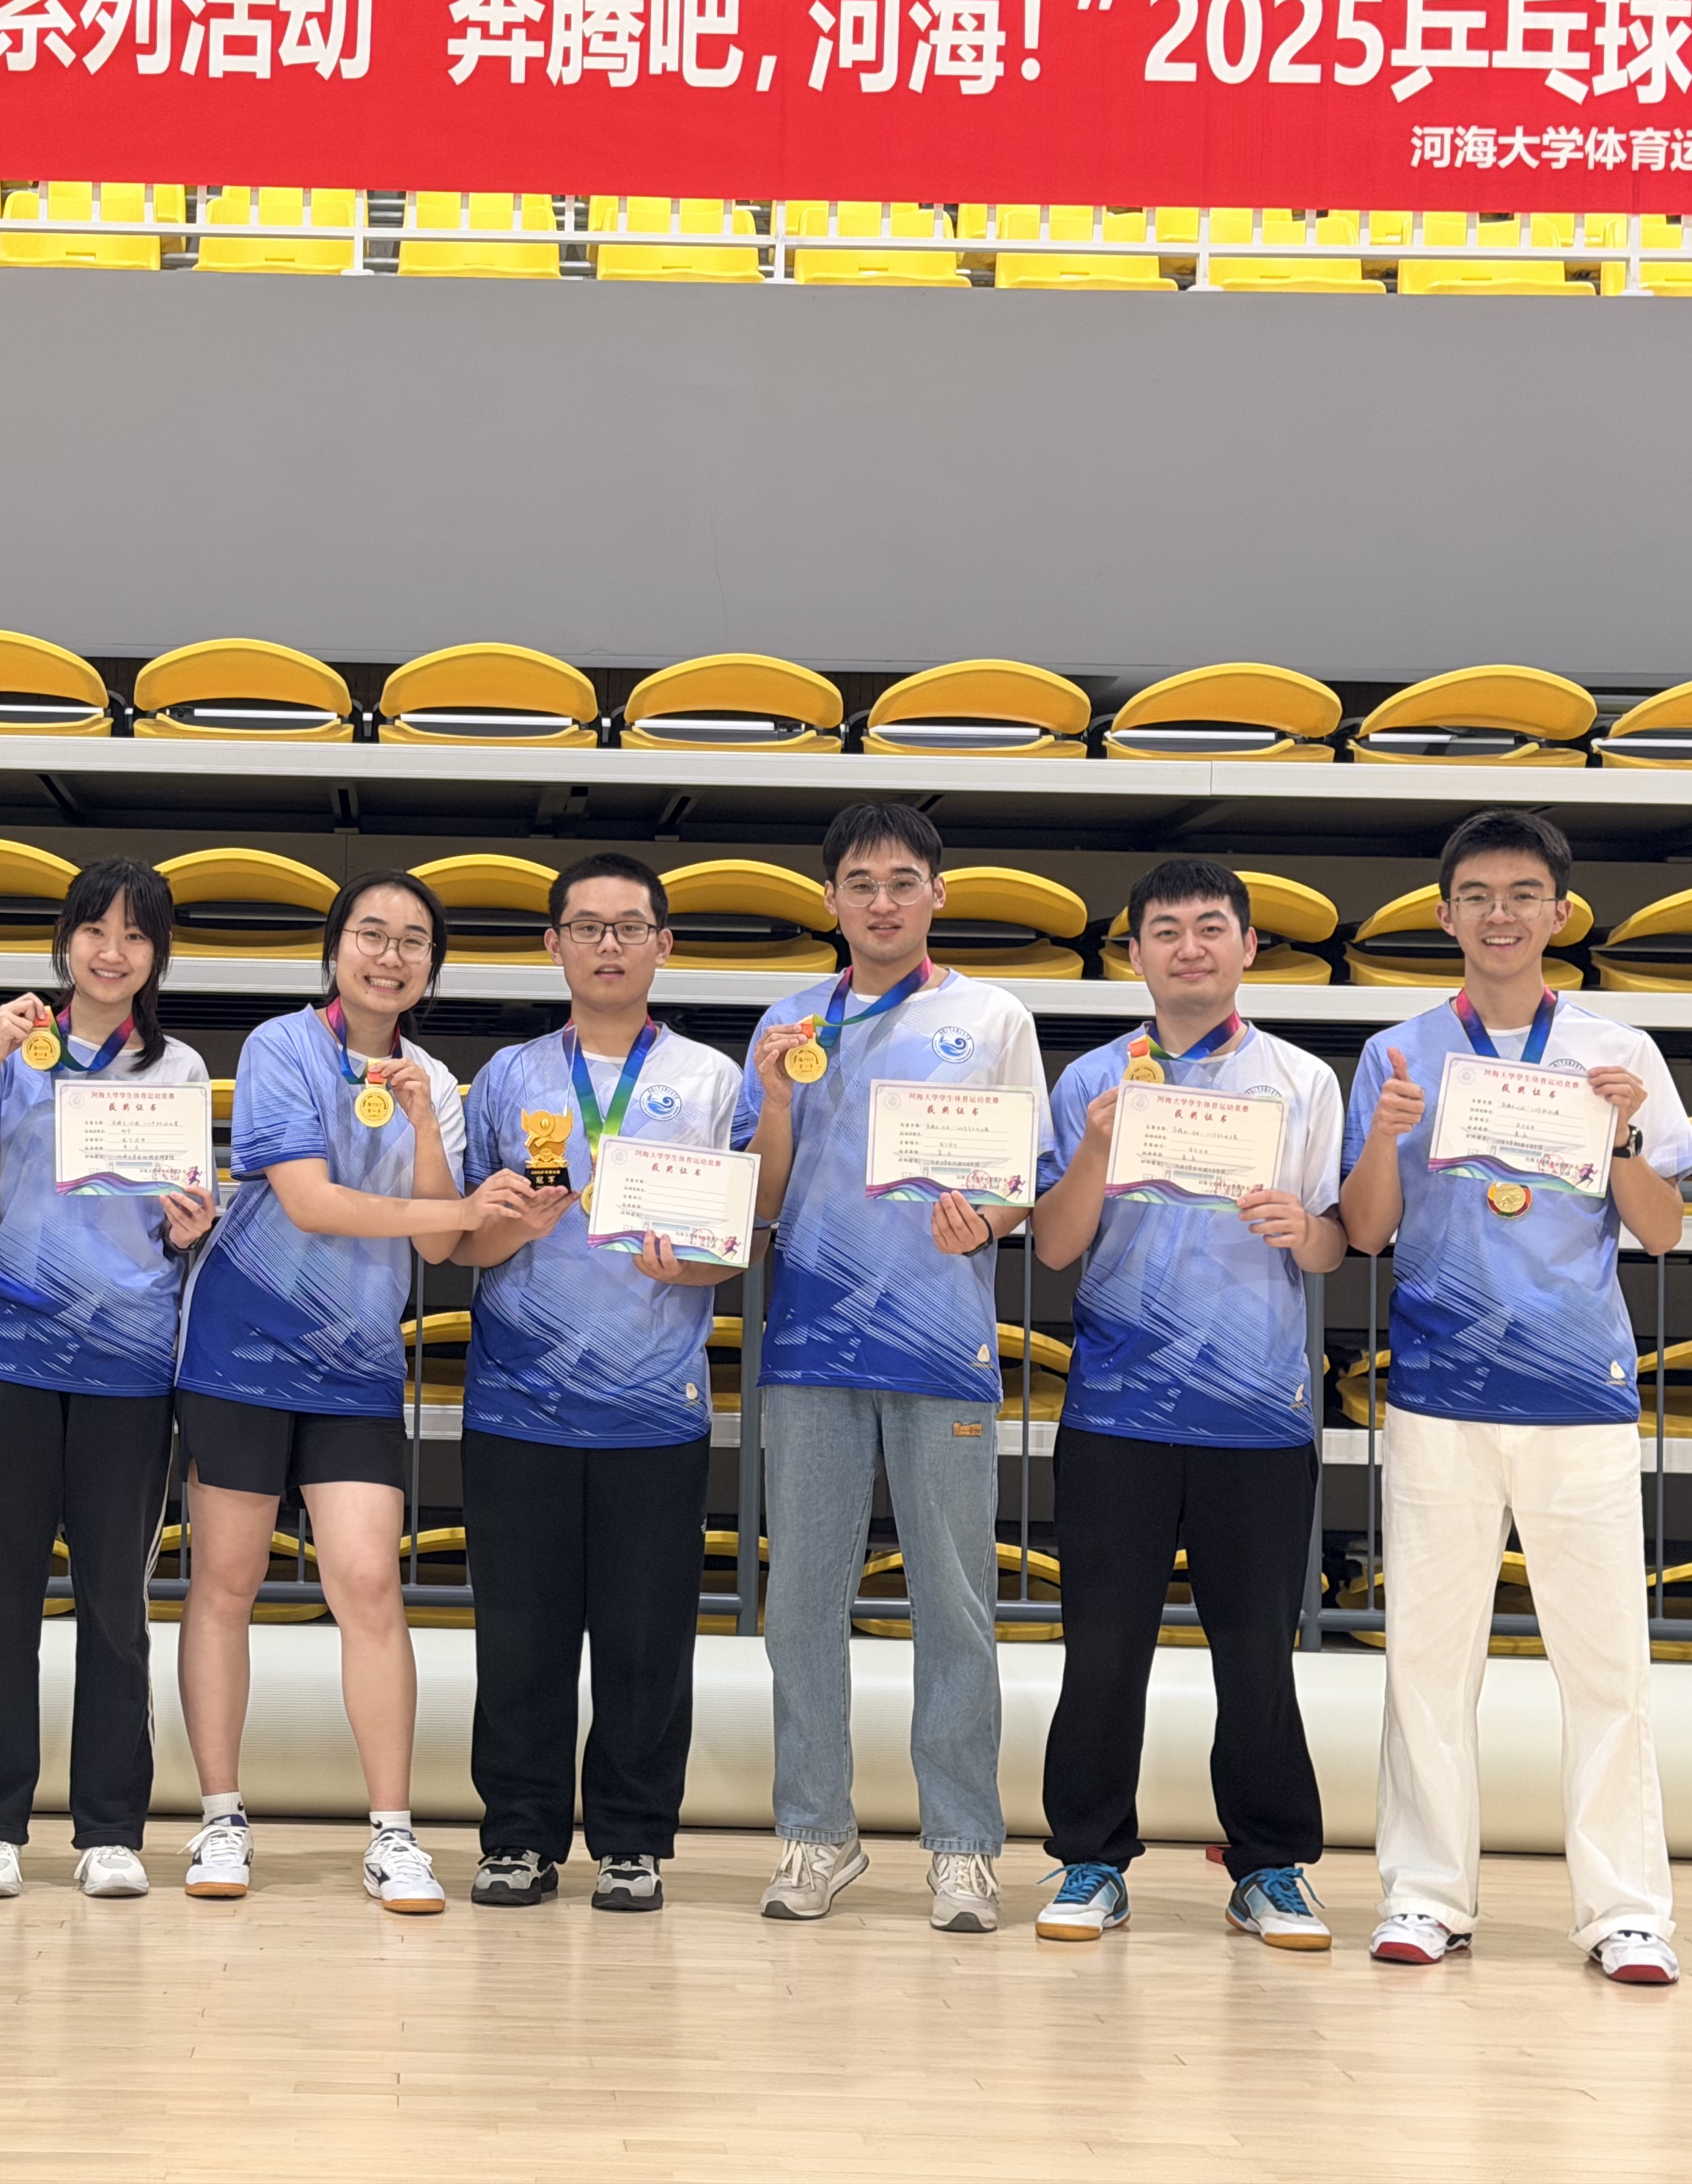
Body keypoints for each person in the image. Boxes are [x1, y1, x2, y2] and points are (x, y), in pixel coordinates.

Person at [1339, 808, 1692, 1986]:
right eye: (1479, 896)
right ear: (1445, 915)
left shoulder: (1619, 1050)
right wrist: (1384, 1138)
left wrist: (1624, 1136)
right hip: (1439, 1392)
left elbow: (1661, 1232)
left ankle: (1626, 1911)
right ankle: (1425, 1893)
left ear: (1561, 913)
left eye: (1523, 895)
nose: (1501, 915)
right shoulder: (1397, 1053)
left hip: (1580, 1396)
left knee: (1606, 1665)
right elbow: (1367, 1232)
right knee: (1427, 1661)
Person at [173, 874, 535, 1914]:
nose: (390, 956)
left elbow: (441, 1245)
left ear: (432, 968)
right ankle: (221, 1819)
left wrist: (428, 1132)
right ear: (336, 950)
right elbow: (309, 1201)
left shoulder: (439, 1081)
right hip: (239, 1352)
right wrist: (461, 1206)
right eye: (372, 935)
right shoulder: (283, 1046)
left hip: (356, 1368)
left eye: (413, 942)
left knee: (370, 1584)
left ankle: (393, 1834)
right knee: (227, 1582)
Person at [738, 803, 1049, 1934]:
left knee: (954, 1607)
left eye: (902, 881)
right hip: (811, 1349)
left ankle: (962, 1847)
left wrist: (989, 1222)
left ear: (936, 895)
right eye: (861, 883)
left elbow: (1021, 1181)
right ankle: (815, 1832)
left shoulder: (993, 1016)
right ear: (830, 900)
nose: (882, 901)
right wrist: (776, 1098)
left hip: (940, 1348)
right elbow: (762, 1201)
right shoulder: (786, 1022)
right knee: (800, 1608)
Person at [1027, 859, 1346, 1948]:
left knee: (1256, 1653)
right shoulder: (1092, 1081)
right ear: (1135, 955)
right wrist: (1098, 1148)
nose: (1190, 947)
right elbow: (1055, 1246)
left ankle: (1270, 1868)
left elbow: (1337, 1242)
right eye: (1166, 930)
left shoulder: (1302, 1080)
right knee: (1101, 1649)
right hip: (1116, 1410)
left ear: (1249, 947)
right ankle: (1088, 1860)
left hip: (1257, 1414)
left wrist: (1306, 1232)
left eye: (1212, 927)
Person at [452, 853, 746, 1914]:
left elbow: (736, 1244)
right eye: (587, 927)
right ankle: (517, 1836)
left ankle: (632, 1839)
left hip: (655, 1406)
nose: (609, 945)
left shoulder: (713, 1080)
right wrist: (509, 1224)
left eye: (629, 927)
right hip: (516, 1401)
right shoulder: (508, 1077)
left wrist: (691, 1266)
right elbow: (463, 1242)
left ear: (665, 945)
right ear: (554, 946)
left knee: (645, 1639)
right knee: (518, 1636)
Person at [0, 857, 215, 1903]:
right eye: (95, 930)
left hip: (128, 1366)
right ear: (65, 942)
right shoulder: (12, 1049)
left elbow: (181, 1217)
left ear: (157, 956)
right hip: (4, 1356)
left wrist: (193, 1225)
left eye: (136, 935)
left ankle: (110, 1828)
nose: (112, 951)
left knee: (114, 1604)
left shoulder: (177, 1068)